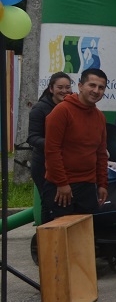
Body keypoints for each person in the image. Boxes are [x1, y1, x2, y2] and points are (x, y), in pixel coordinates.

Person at [43, 68, 109, 221]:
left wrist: (102, 184)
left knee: (83, 239)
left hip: (87, 186)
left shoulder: (99, 116)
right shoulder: (61, 111)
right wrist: (62, 184)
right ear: (80, 86)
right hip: (61, 187)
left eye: (101, 87)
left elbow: (101, 154)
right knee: (60, 240)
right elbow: (52, 151)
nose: (96, 90)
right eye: (92, 85)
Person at [28, 72, 73, 207]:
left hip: (65, 164)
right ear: (51, 89)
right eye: (60, 87)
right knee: (50, 203)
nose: (64, 91)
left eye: (67, 87)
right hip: (43, 164)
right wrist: (54, 145)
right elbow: (32, 138)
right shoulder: (39, 109)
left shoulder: (73, 106)